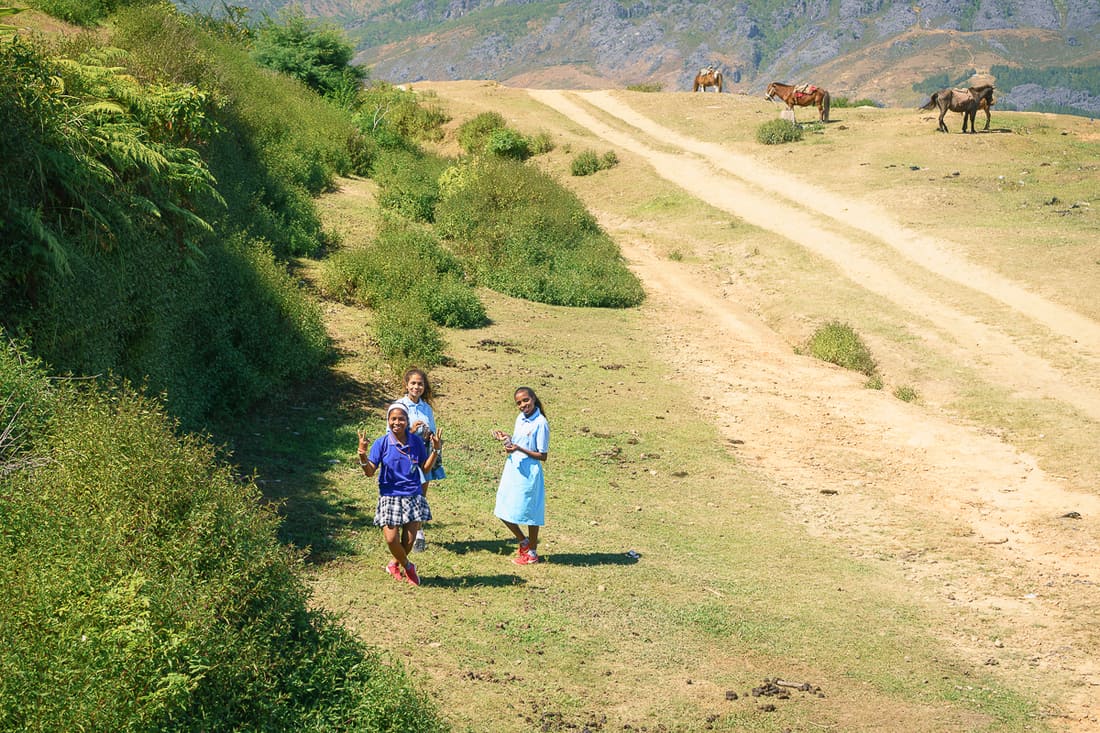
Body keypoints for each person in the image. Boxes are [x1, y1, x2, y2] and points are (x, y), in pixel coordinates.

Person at [358, 402, 442, 586]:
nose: (397, 422)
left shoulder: (416, 442)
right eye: (393, 419)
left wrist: (435, 449)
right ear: (388, 421)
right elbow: (370, 472)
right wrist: (363, 456)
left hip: (413, 494)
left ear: (407, 420)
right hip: (389, 495)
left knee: (410, 540)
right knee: (391, 539)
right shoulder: (382, 443)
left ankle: (394, 564)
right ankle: (407, 565)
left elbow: (425, 469)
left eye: (401, 419)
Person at [492, 386, 550, 565]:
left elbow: (543, 455)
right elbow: (517, 442)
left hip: (529, 473)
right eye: (519, 403)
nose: (523, 405)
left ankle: (532, 553)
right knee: (503, 507)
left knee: (531, 512)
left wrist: (519, 449)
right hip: (513, 469)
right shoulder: (521, 419)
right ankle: (523, 541)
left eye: (526, 400)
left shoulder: (540, 423)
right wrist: (507, 440)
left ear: (533, 398)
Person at [397, 368, 445, 553]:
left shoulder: (426, 408)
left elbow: (432, 429)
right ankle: (404, 528)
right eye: (413, 383)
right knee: (406, 492)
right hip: (405, 455)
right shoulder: (400, 406)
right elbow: (391, 433)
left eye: (420, 384)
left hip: (424, 453)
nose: (416, 387)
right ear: (406, 385)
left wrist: (429, 434)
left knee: (421, 494)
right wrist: (410, 431)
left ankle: (418, 531)